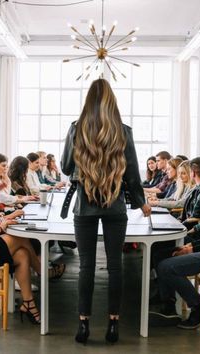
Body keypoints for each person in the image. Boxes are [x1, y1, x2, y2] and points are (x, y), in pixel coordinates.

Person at [61, 78, 151, 344]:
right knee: (116, 266)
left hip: (85, 207)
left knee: (86, 267)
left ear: (88, 101)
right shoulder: (123, 131)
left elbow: (66, 167)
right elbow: (133, 175)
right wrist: (141, 202)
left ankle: (83, 325)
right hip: (115, 206)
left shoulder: (77, 129)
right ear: (112, 102)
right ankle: (113, 325)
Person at [150, 231, 200, 329]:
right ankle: (167, 301)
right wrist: (191, 245)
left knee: (167, 267)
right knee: (160, 255)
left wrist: (192, 249)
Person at [180, 157, 200, 227]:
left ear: (193, 173)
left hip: (192, 229)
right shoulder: (199, 187)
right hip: (186, 224)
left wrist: (180, 224)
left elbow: (195, 214)